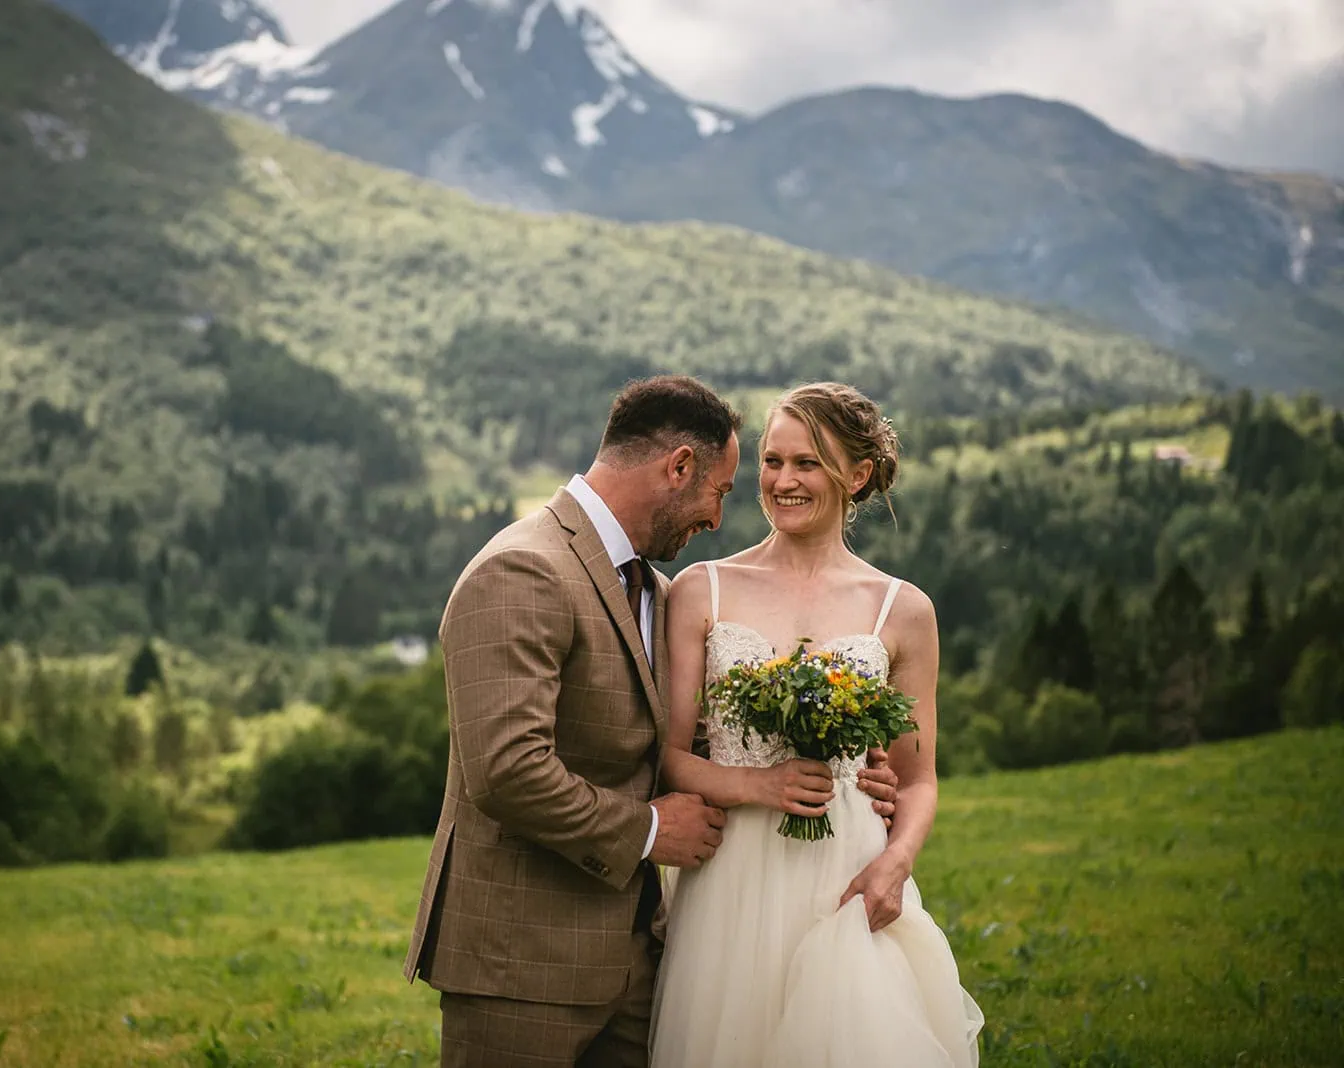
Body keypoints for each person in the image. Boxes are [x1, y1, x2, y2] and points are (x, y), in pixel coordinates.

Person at [402, 375, 902, 1067]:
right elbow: (507, 771)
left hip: (639, 958)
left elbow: (684, 734)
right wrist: (651, 829)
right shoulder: (522, 570)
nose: (719, 520)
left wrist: (853, 768)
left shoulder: (654, 590)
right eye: (720, 491)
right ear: (679, 468)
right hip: (522, 966)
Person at [649, 382, 984, 1067]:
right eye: (773, 462)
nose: (784, 480)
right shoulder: (701, 590)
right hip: (730, 878)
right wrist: (756, 786)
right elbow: (668, 759)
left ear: (856, 475)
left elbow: (918, 779)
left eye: (808, 463)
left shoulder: (902, 609)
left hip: (848, 874)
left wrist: (897, 861)